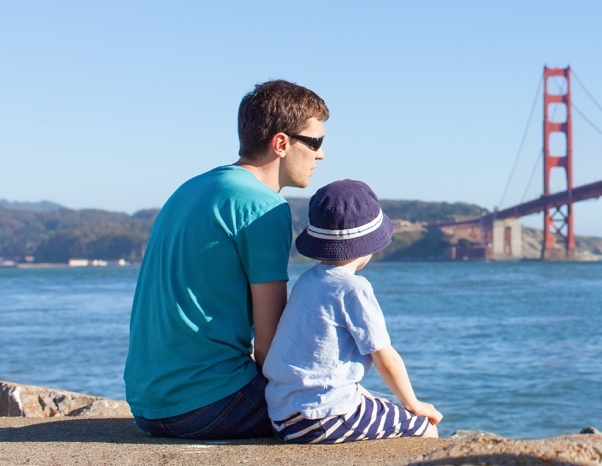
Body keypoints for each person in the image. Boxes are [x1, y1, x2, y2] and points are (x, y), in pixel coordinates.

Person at [124, 79, 329, 439]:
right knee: (356, 413)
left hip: (147, 405)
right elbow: (270, 349)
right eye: (315, 142)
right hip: (208, 406)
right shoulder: (264, 207)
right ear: (281, 143)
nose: (321, 155)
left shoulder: (190, 188)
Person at [264, 179, 442, 443]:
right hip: (325, 417)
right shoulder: (353, 288)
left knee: (382, 403)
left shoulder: (307, 282)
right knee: (423, 426)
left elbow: (315, 361)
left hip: (283, 416)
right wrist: (415, 404)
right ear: (369, 245)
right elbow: (386, 358)